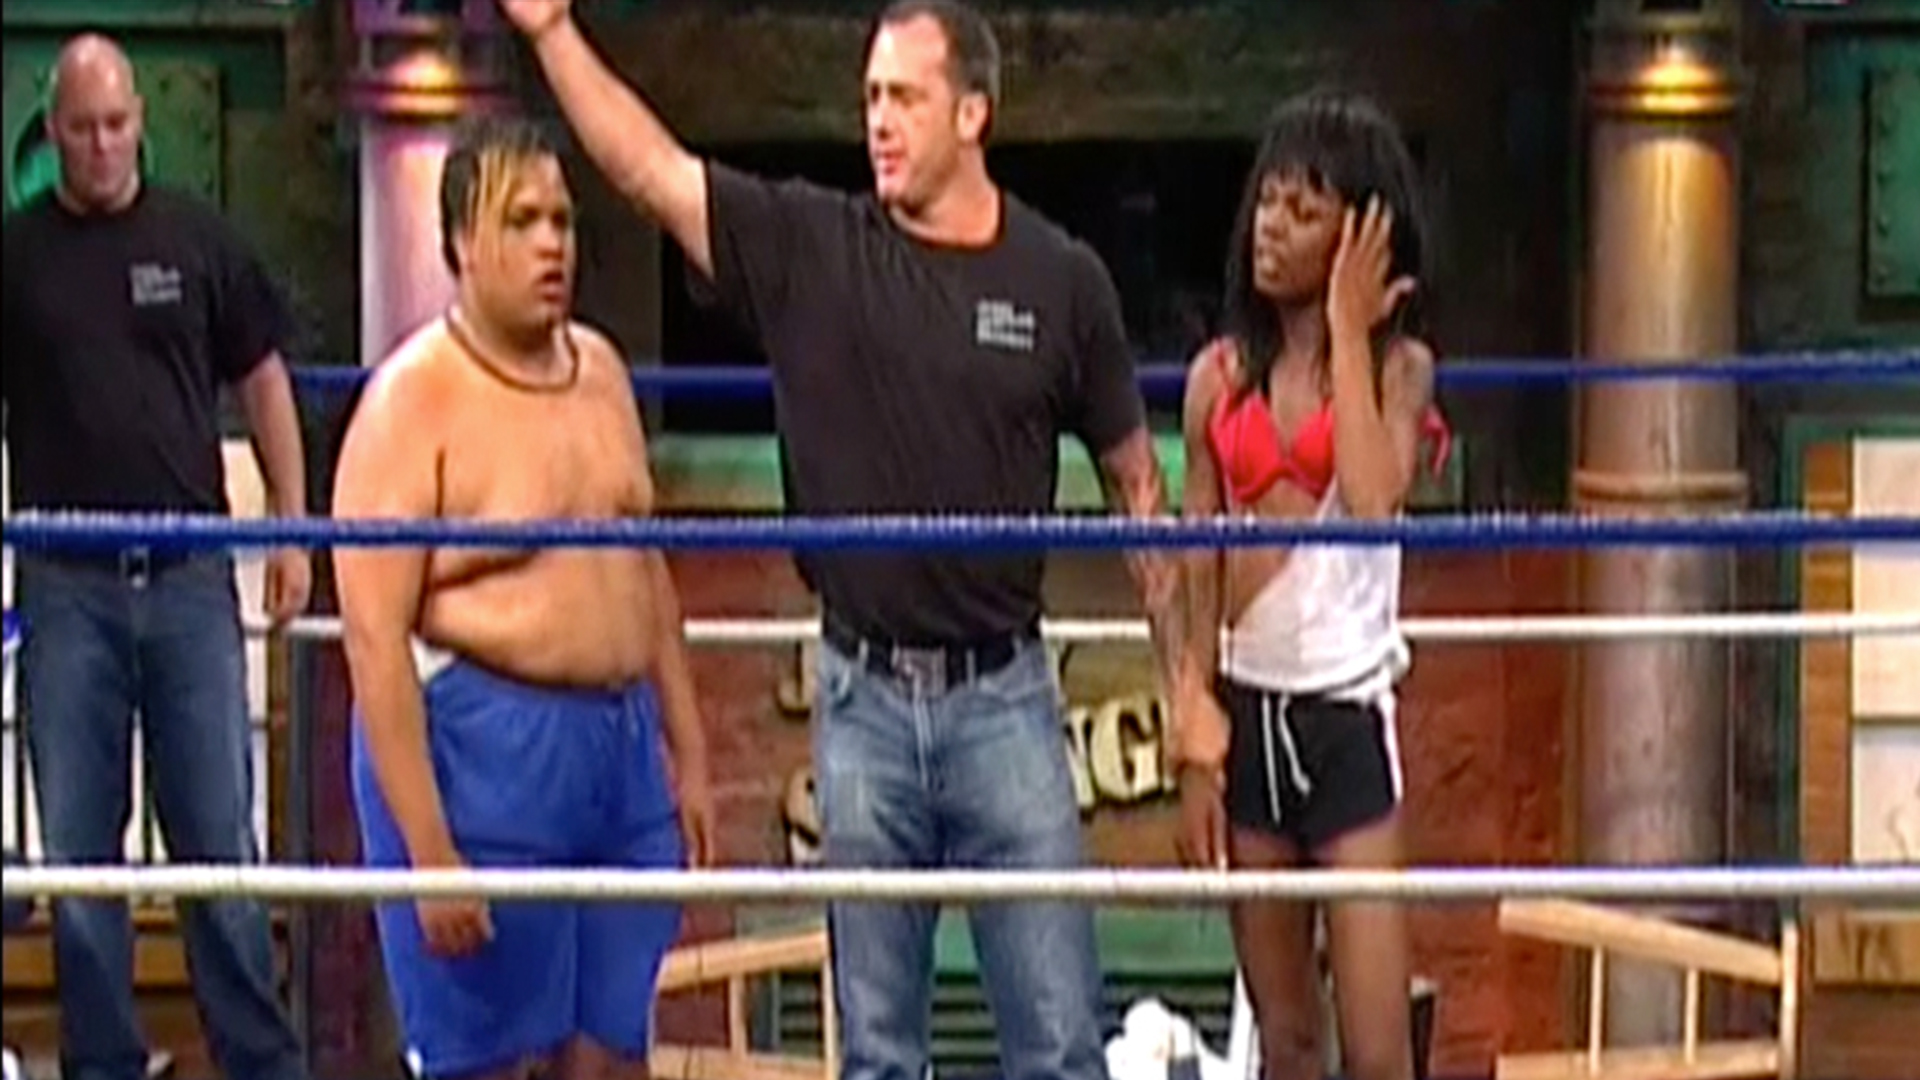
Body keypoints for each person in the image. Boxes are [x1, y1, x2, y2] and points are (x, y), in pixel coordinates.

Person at [493, 3, 1185, 1080]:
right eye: (869, 97)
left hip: (1006, 699)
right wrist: (552, 35)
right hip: (862, 702)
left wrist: (1186, 689)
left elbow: (1137, 483)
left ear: (973, 113)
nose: (879, 121)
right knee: (878, 1052)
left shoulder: (1061, 280)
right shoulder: (812, 247)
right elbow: (652, 173)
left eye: (904, 97)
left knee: (1058, 1046)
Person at [331, 115, 716, 1080]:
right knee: (491, 1064)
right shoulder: (408, 404)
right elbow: (373, 640)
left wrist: (689, 751)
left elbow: (645, 567)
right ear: (463, 243)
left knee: (613, 1052)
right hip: (482, 754)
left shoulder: (605, 374)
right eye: (522, 221)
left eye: (563, 220)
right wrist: (429, 852)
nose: (553, 244)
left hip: (621, 755)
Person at [0, 33, 311, 1080]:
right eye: (81, 129)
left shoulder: (198, 238)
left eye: (115, 125)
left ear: (141, 122)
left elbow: (264, 376)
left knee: (218, 835)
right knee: (79, 851)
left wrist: (292, 528)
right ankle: (104, 1066)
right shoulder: (15, 257)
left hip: (188, 576)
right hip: (65, 585)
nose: (100, 146)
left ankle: (258, 1061)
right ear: (52, 132)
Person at [1170, 89, 1449, 1080]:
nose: (1271, 226)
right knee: (1285, 1038)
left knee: (1377, 1049)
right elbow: (1193, 559)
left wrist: (1345, 325)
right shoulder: (1218, 377)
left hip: (1344, 715)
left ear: (1361, 235)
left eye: (1303, 210)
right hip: (1248, 711)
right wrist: (1192, 726)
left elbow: (1372, 502)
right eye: (1268, 201)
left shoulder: (1400, 369)